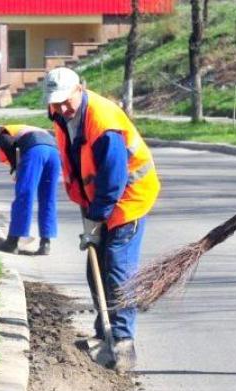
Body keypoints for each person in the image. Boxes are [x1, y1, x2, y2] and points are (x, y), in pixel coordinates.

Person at [44, 67, 161, 371]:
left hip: (128, 199)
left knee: (117, 267)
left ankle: (123, 342)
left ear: (80, 90)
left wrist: (95, 218)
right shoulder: (61, 114)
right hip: (97, 202)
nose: (62, 108)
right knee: (95, 267)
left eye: (67, 101)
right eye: (56, 103)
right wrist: (89, 211)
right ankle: (103, 332)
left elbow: (113, 178)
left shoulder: (104, 123)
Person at [0, 125, 61, 256]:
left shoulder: (3, 133)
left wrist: (16, 168)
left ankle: (12, 242)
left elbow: (10, 149)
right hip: (54, 152)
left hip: (35, 150)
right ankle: (45, 243)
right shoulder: (26, 128)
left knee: (25, 194)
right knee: (48, 197)